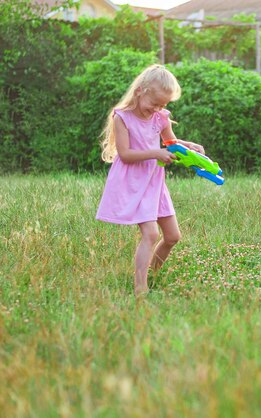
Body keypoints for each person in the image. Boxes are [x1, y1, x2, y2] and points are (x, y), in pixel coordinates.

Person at [96, 64, 204, 295]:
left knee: (173, 236)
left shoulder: (159, 117)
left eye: (163, 105)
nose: (158, 109)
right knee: (151, 234)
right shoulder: (123, 118)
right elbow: (125, 154)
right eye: (154, 103)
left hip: (154, 182)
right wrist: (156, 153)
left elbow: (170, 143)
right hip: (133, 182)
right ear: (140, 91)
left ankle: (153, 273)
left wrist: (188, 146)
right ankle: (140, 286)